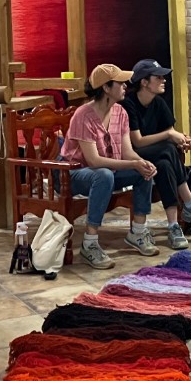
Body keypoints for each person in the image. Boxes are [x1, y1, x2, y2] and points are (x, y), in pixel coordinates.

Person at [61, 64, 157, 269]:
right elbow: (93, 161)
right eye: (120, 83)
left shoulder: (120, 112)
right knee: (103, 175)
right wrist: (132, 163)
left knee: (143, 172)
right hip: (71, 173)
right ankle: (90, 244)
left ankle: (138, 232)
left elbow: (127, 151)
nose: (125, 86)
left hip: (104, 172)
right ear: (106, 88)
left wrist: (140, 162)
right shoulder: (83, 115)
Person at [122, 58, 191, 249]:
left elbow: (170, 135)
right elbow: (137, 141)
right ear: (144, 82)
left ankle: (174, 226)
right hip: (133, 155)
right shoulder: (129, 105)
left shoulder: (158, 103)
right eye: (158, 77)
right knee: (168, 150)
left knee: (166, 163)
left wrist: (181, 139)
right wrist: (170, 135)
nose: (163, 80)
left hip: (158, 156)